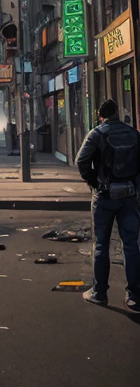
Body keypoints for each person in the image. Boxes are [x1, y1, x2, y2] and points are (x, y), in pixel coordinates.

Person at [75, 98, 140, 311]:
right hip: (129, 195)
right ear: (117, 114)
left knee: (101, 245)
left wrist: (94, 182)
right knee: (130, 245)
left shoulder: (97, 134)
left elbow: (81, 161)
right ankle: (134, 297)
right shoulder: (133, 133)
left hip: (104, 196)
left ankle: (99, 293)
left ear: (100, 115)